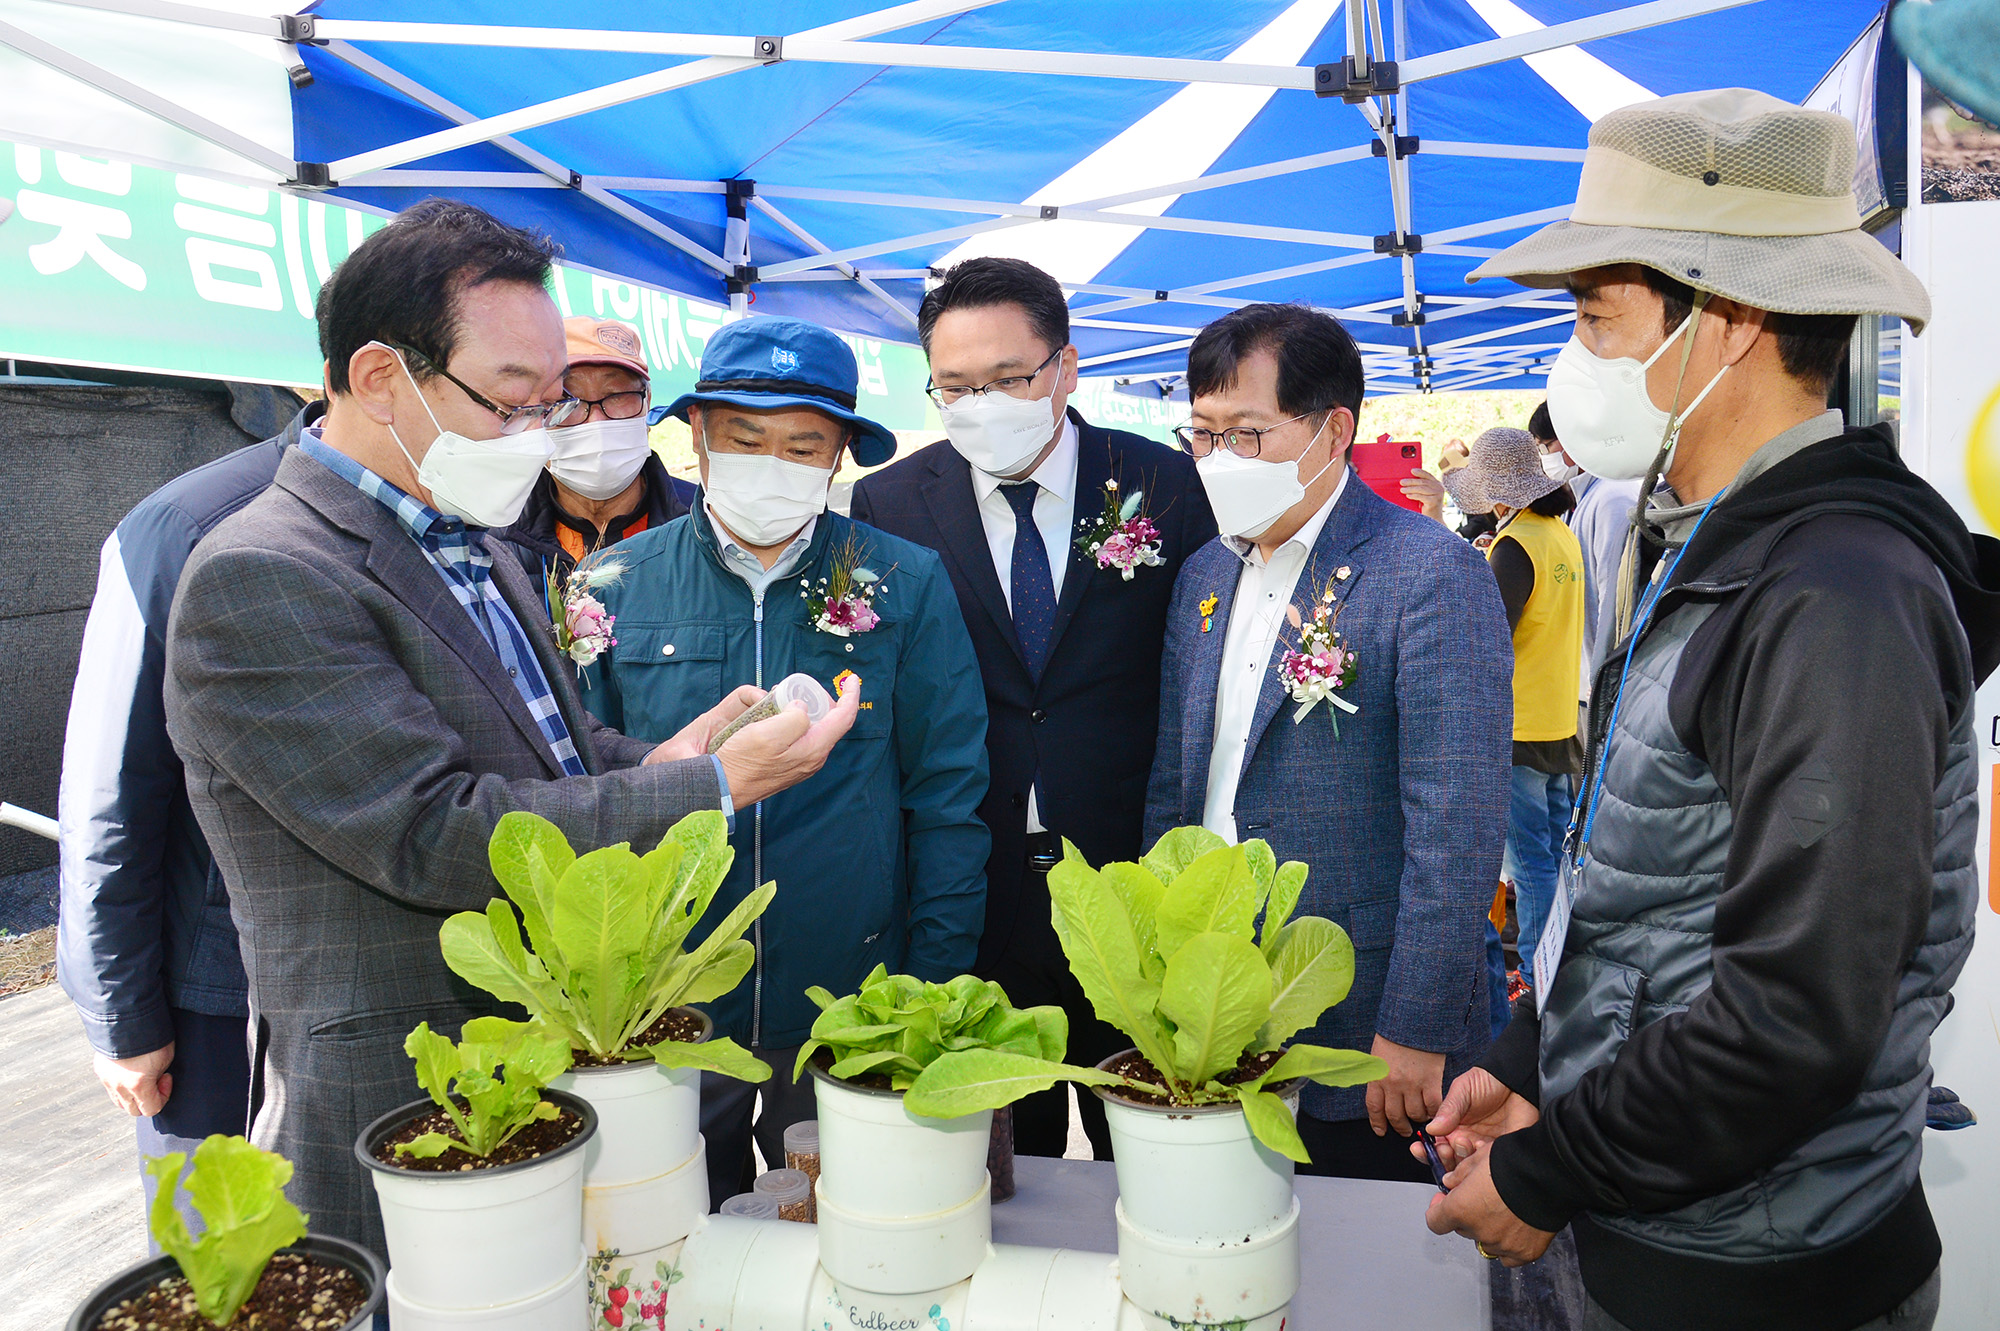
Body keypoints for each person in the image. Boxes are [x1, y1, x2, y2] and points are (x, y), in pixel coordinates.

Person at [162, 200, 857, 1258]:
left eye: (554, 404)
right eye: (516, 402)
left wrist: (674, 752)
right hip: (406, 1076)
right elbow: (433, 827)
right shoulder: (265, 573)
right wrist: (715, 790)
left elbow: (553, 751)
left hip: (542, 1046)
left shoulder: (473, 542)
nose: (542, 433)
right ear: (382, 377)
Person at [1422, 89, 1998, 1331]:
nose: (1571, 363)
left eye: (1593, 318)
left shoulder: (1836, 596)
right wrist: (1528, 1073)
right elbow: (1637, 886)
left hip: (1752, 1280)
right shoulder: (1706, 548)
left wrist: (1548, 1167)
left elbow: (1795, 1013)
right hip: (1655, 1223)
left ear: (1725, 320)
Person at [588, 316, 991, 1203]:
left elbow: (950, 799)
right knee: (675, 1238)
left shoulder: (906, 581)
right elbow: (587, 793)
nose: (774, 463)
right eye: (746, 437)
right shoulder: (614, 584)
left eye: (804, 444)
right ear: (696, 437)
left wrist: (925, 991)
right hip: (675, 1010)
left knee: (855, 1233)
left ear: (840, 454)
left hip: (850, 1000)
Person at [850, 257, 1217, 1159]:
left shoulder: (1169, 484)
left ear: (1066, 367)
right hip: (969, 876)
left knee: (1148, 1140)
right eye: (955, 386)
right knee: (999, 1153)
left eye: (1008, 380)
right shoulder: (890, 499)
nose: (983, 404)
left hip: (1127, 871)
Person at [1145, 302, 1511, 1182]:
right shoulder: (1205, 572)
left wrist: (1416, 1024)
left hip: (1368, 1020)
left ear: (1333, 429)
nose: (1217, 459)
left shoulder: (1428, 572)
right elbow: (1177, 781)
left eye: (1248, 434)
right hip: (1223, 998)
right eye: (1201, 434)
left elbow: (1455, 826)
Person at [57, 396, 321, 1231]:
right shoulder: (187, 525)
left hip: (352, 974)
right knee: (226, 1260)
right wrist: (122, 1017)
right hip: (217, 994)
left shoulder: (444, 524)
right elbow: (110, 791)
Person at [1441, 428, 1585, 1006]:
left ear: (1498, 496)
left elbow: (1486, 636)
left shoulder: (1515, 544)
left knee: (1530, 866)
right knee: (1553, 855)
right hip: (1557, 723)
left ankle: (1539, 979)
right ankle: (1562, 963)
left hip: (1518, 728)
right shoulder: (1558, 536)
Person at [497, 315, 696, 586]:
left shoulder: (700, 521)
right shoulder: (498, 535)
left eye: (617, 395)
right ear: (540, 411)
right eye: (569, 401)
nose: (596, 423)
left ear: (647, 401)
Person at [1528, 400, 1637, 680]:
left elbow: (1613, 599)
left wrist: (1602, 674)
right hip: (1582, 674)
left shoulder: (1613, 499)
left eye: (1544, 447)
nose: (1542, 457)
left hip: (1600, 677)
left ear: (1568, 441)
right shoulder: (1580, 498)